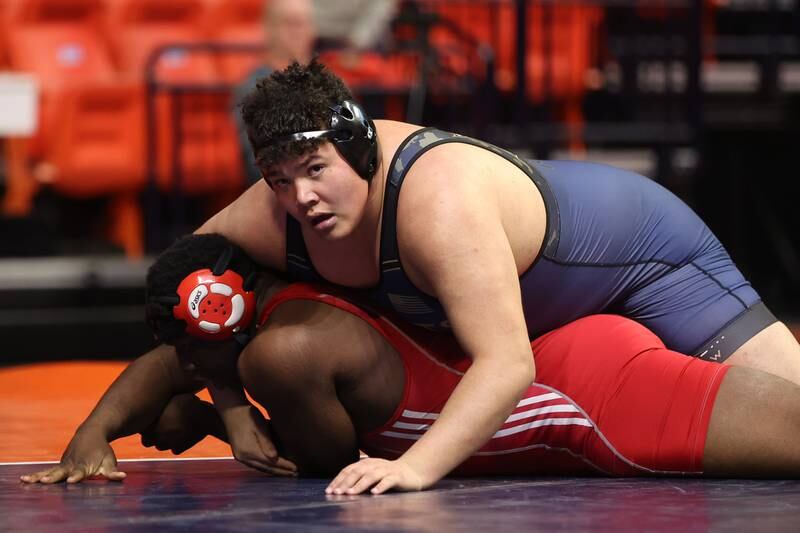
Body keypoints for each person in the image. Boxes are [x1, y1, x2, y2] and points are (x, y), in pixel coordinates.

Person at [197, 60, 800, 490]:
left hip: (651, 256)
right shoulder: (276, 206)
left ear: (358, 149)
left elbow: (510, 363)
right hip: (565, 309)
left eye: (314, 169)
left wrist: (417, 467)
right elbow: (181, 283)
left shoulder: (437, 201)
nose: (300, 196)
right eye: (280, 180)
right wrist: (228, 404)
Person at [20, 234, 800, 492]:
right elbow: (173, 358)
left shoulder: (284, 352)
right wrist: (93, 430)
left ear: (218, 315)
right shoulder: (287, 299)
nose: (182, 364)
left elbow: (323, 466)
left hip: (587, 403)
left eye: (192, 352)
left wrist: (218, 419)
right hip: (573, 357)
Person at [232, 0, 317, 183]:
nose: (298, 32)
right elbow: (259, 163)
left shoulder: (329, 81)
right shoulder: (254, 88)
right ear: (268, 29)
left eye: (304, 24)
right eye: (289, 23)